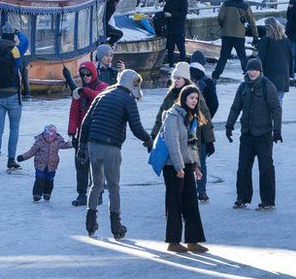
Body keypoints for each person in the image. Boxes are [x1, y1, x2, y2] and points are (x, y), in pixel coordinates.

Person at [78, 69, 153, 239]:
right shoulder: (127, 99)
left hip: (93, 145)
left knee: (95, 184)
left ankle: (90, 223)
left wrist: (82, 147)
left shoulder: (102, 95)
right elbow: (136, 127)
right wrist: (149, 141)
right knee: (113, 186)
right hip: (111, 146)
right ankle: (116, 226)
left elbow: (86, 122)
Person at [225, 58, 282, 210]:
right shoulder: (243, 87)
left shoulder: (267, 86)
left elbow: (276, 108)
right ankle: (242, 198)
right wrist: (229, 125)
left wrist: (277, 130)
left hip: (263, 135)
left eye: (255, 70)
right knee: (243, 168)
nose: (252, 72)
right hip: (247, 135)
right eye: (250, 70)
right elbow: (235, 107)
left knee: (266, 168)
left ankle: (268, 201)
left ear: (260, 71)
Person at [160, 85, 208, 253]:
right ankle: (173, 242)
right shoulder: (172, 116)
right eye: (191, 98)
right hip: (172, 166)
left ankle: (193, 241)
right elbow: (172, 143)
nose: (194, 101)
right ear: (183, 98)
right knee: (174, 203)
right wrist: (179, 167)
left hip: (186, 165)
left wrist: (196, 166)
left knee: (191, 203)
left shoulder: (192, 117)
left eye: (196, 98)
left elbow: (192, 144)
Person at [68, 61, 110, 206]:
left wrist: (85, 91)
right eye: (82, 74)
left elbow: (101, 97)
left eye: (88, 74)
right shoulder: (79, 92)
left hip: (98, 132)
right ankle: (81, 194)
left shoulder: (103, 86)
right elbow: (74, 113)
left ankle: (98, 193)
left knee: (97, 164)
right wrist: (71, 132)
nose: (85, 77)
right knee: (81, 164)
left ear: (94, 73)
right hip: (82, 134)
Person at [0, 31, 23, 171]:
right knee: (14, 129)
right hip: (13, 95)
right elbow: (25, 40)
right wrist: (18, 33)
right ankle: (11, 160)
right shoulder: (15, 51)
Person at [17, 125, 73, 202]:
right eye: (47, 135)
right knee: (39, 179)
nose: (49, 137)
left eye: (51, 135)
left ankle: (47, 193)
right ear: (44, 134)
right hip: (40, 165)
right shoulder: (39, 142)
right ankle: (37, 194)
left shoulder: (57, 142)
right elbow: (31, 152)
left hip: (52, 165)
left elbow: (65, 145)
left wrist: (73, 143)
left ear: (55, 135)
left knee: (49, 180)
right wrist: (23, 157)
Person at [212, 0, 258, 79]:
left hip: (226, 35)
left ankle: (216, 75)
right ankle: (248, 75)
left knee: (223, 57)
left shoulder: (226, 4)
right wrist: (255, 36)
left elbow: (220, 17)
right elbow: (252, 22)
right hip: (239, 36)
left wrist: (224, 25)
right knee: (242, 57)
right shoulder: (245, 6)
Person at [189, 52, 218, 202]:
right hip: (201, 128)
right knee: (201, 161)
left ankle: (185, 190)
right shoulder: (208, 82)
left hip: (184, 128)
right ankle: (202, 191)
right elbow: (214, 105)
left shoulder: (183, 79)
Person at [257, 18, 293, 102]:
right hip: (283, 74)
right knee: (279, 100)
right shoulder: (286, 40)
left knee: (266, 100)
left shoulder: (266, 40)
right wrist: (290, 73)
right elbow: (290, 58)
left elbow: (261, 58)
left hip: (269, 74)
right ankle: (277, 115)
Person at [162, 0, 189, 67]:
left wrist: (171, 15)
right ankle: (170, 65)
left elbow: (183, 14)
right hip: (170, 28)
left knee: (181, 48)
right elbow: (165, 10)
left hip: (178, 28)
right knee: (170, 48)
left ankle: (183, 66)